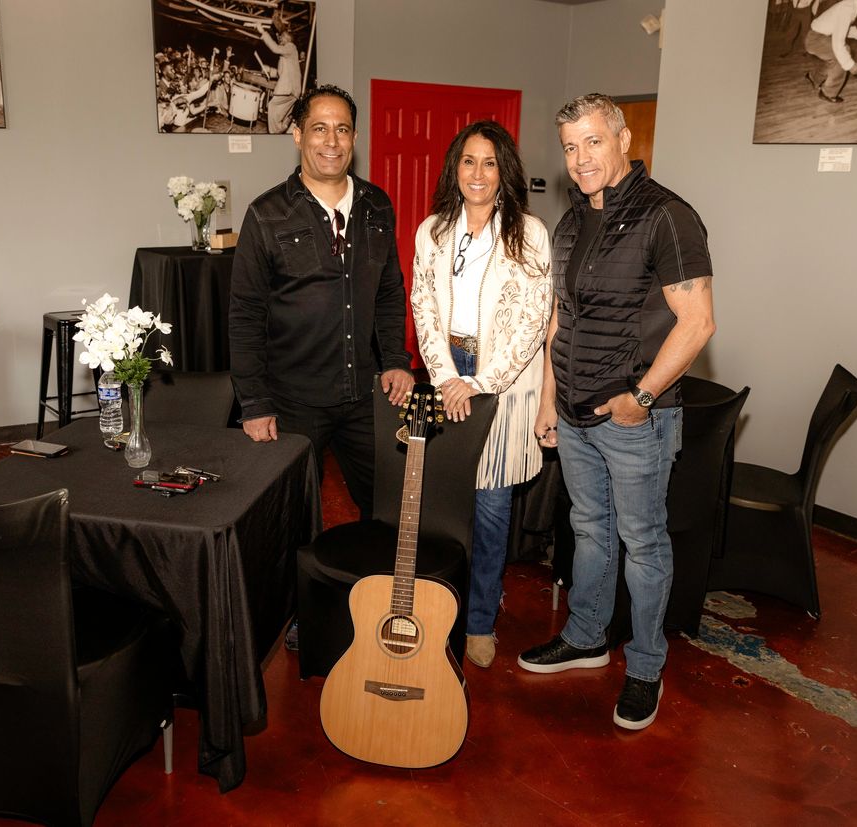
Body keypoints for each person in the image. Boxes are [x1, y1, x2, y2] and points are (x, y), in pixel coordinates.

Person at [518, 94, 715, 732]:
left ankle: (646, 667)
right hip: (573, 414)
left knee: (643, 543)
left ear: (623, 139)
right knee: (590, 532)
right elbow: (559, 321)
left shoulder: (668, 217)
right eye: (571, 147)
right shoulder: (572, 223)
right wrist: (549, 399)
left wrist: (644, 399)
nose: (581, 160)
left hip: (635, 420)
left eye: (593, 142)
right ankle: (585, 637)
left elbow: (699, 322)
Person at [229, 84, 414, 526]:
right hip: (293, 402)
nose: (332, 142)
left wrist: (396, 359)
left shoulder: (377, 206)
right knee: (290, 521)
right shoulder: (266, 214)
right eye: (319, 129)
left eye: (343, 130)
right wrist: (254, 404)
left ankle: (374, 593)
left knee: (390, 512)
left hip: (366, 397)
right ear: (297, 134)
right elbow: (245, 315)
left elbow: (390, 291)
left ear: (354, 137)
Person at [409, 121, 551, 669]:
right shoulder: (432, 231)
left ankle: (479, 622)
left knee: (491, 510)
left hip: (502, 381)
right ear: (455, 168)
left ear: (504, 172)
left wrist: (479, 383)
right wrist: (446, 376)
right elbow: (423, 307)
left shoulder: (529, 233)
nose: (477, 173)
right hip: (447, 371)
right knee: (440, 506)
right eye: (468, 161)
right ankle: (436, 608)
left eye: (489, 163)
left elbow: (532, 321)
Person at [803, 0, 857, 104]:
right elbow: (838, 44)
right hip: (815, 40)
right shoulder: (848, 8)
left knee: (834, 59)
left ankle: (814, 77)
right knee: (843, 52)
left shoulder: (850, 5)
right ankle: (828, 93)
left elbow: (843, 26)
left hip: (817, 36)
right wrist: (851, 66)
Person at [254, 21, 300, 133]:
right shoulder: (286, 54)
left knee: (272, 106)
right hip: (292, 91)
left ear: (288, 38)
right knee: (280, 118)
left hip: (289, 90)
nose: (280, 39)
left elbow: (274, 48)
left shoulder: (291, 47)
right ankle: (282, 131)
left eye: (282, 37)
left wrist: (262, 32)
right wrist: (269, 70)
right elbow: (281, 73)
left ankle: (275, 134)